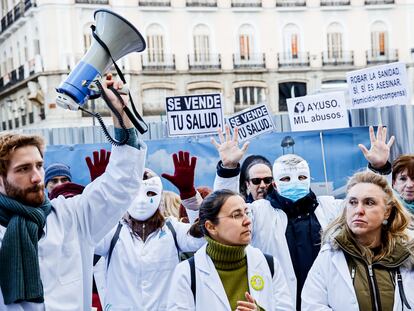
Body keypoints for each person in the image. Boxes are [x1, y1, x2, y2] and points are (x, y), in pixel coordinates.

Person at [0, 74, 147, 310]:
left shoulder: (71, 217)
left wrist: (121, 115)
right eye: (23, 169)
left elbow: (120, 185)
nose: (37, 177)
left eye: (39, 165)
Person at [211, 126, 343, 309]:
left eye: (302, 176)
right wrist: (228, 168)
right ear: (276, 183)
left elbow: (378, 206)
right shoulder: (259, 212)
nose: (295, 182)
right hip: (278, 302)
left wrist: (379, 170)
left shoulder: (329, 208)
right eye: (286, 179)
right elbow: (223, 210)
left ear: (310, 178)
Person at [93, 152, 205, 310]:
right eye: (134, 194)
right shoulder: (113, 233)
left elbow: (201, 239)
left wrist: (189, 196)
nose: (140, 201)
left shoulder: (173, 229)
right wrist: (98, 194)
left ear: (159, 198)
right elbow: (88, 239)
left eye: (150, 193)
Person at [302, 171, 414, 310]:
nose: (359, 210)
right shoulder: (329, 256)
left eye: (369, 203)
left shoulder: (408, 254)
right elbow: (311, 306)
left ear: (387, 211)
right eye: (353, 202)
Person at [167, 189, 294, 311]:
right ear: (211, 227)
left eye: (247, 213)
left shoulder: (269, 265)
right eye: (237, 215)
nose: (247, 221)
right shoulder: (187, 273)